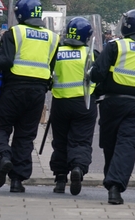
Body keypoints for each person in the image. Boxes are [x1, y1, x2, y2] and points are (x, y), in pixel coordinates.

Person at [0, 0, 60, 193]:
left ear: (19, 14)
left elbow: (4, 62)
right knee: (25, 135)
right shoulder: (53, 37)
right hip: (38, 93)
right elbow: (51, 66)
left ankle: (3, 157)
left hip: (13, 89)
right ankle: (17, 180)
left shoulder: (15, 32)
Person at [90, 9, 135, 204]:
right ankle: (116, 187)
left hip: (111, 103)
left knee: (110, 145)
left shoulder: (116, 46)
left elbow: (97, 74)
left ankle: (111, 182)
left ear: (126, 25)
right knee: (127, 145)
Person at [49, 17, 98, 196]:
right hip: (84, 103)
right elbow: (100, 76)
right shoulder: (91, 54)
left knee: (60, 142)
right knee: (81, 140)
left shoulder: (57, 52)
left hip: (60, 102)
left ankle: (60, 179)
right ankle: (78, 167)